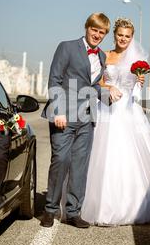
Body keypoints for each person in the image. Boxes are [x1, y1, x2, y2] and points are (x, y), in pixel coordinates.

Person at [81, 17, 150, 225]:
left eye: (127, 36)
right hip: (106, 107)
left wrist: (139, 82)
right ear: (114, 35)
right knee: (101, 154)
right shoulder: (104, 55)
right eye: (120, 35)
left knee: (129, 153)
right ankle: (99, 205)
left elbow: (136, 90)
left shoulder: (137, 58)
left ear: (131, 37)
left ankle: (133, 205)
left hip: (128, 111)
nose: (123, 39)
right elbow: (97, 82)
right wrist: (108, 88)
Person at [40, 12, 115, 228]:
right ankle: (50, 210)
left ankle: (73, 212)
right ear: (87, 27)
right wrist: (59, 111)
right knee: (61, 160)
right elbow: (55, 78)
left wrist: (109, 94)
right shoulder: (67, 47)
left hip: (87, 117)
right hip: (64, 115)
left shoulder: (101, 56)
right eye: (94, 30)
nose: (97, 35)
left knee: (80, 166)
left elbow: (91, 87)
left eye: (102, 32)